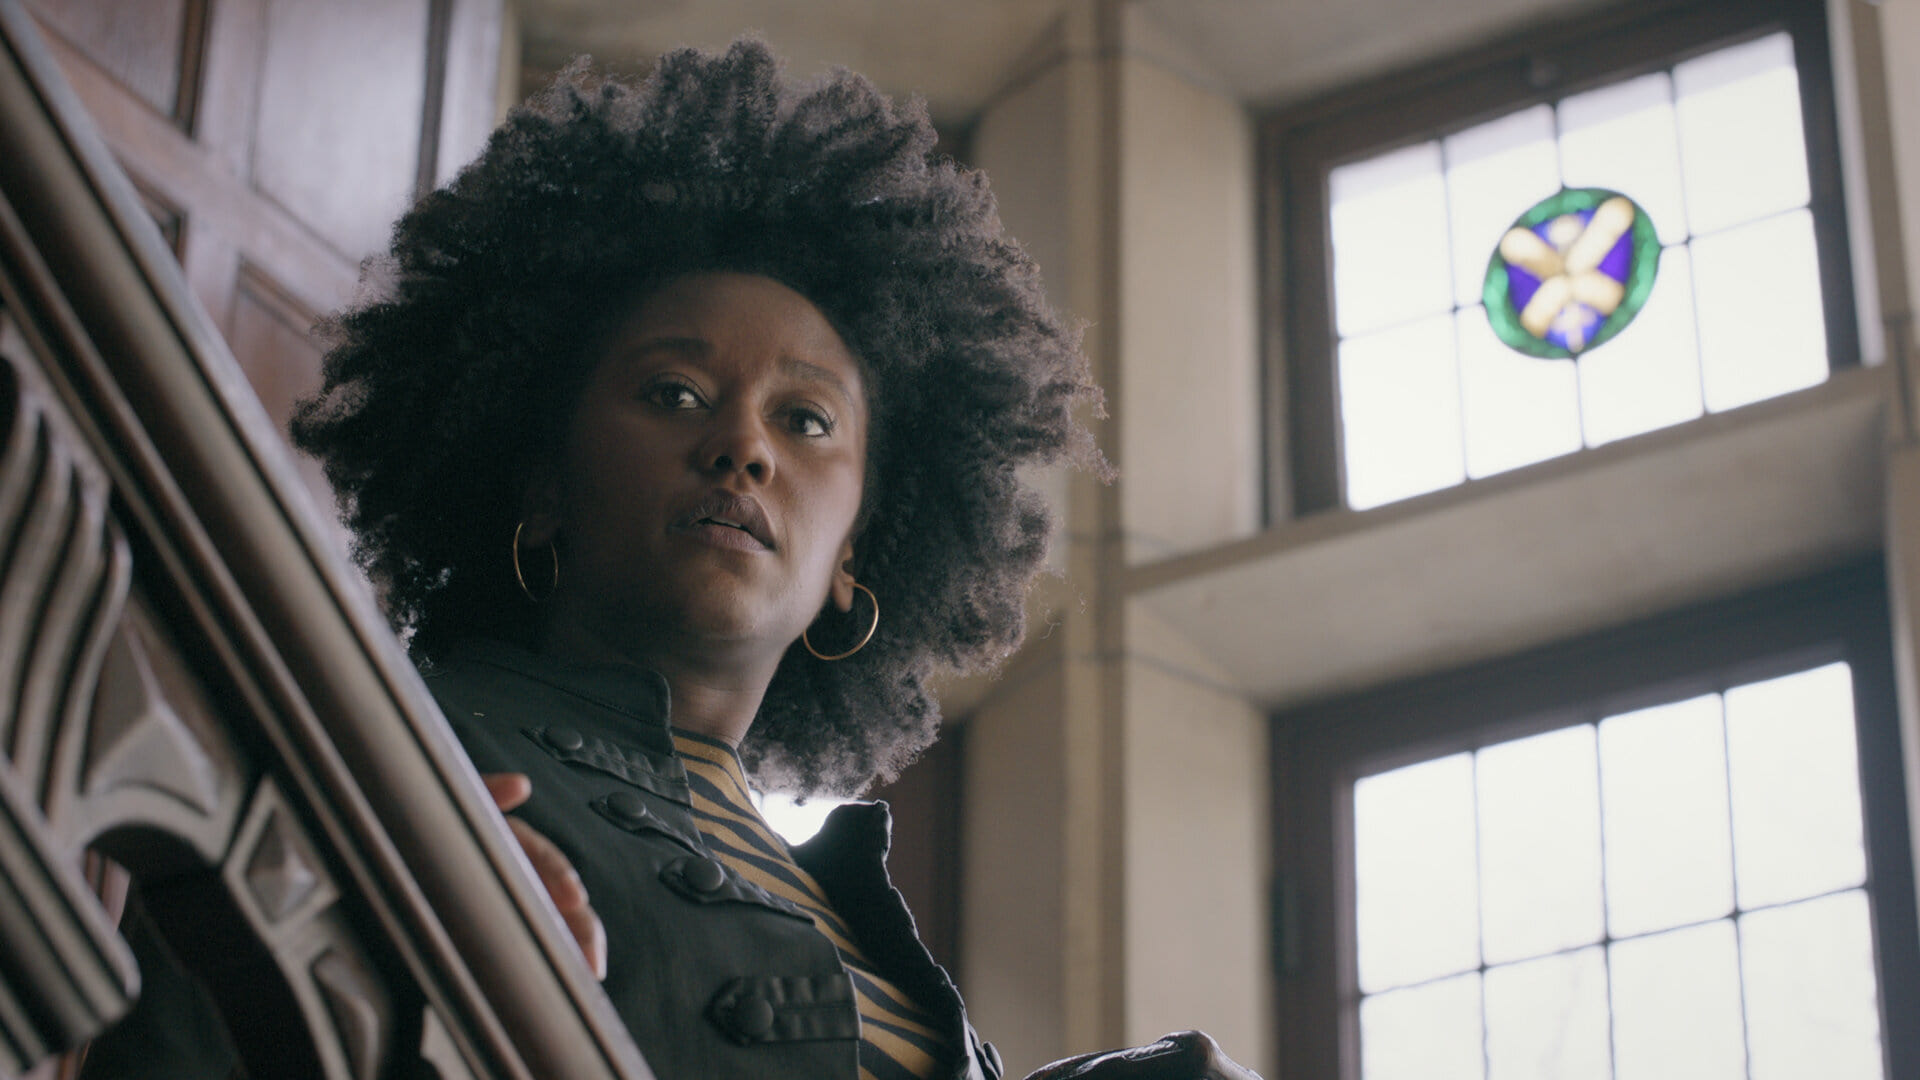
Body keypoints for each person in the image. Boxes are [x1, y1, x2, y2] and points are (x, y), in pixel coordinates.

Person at [285, 38, 1259, 1080]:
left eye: (805, 419)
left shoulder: (841, 900)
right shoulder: (390, 740)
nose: (743, 447)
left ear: (852, 558)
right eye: (674, 393)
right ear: (543, 487)